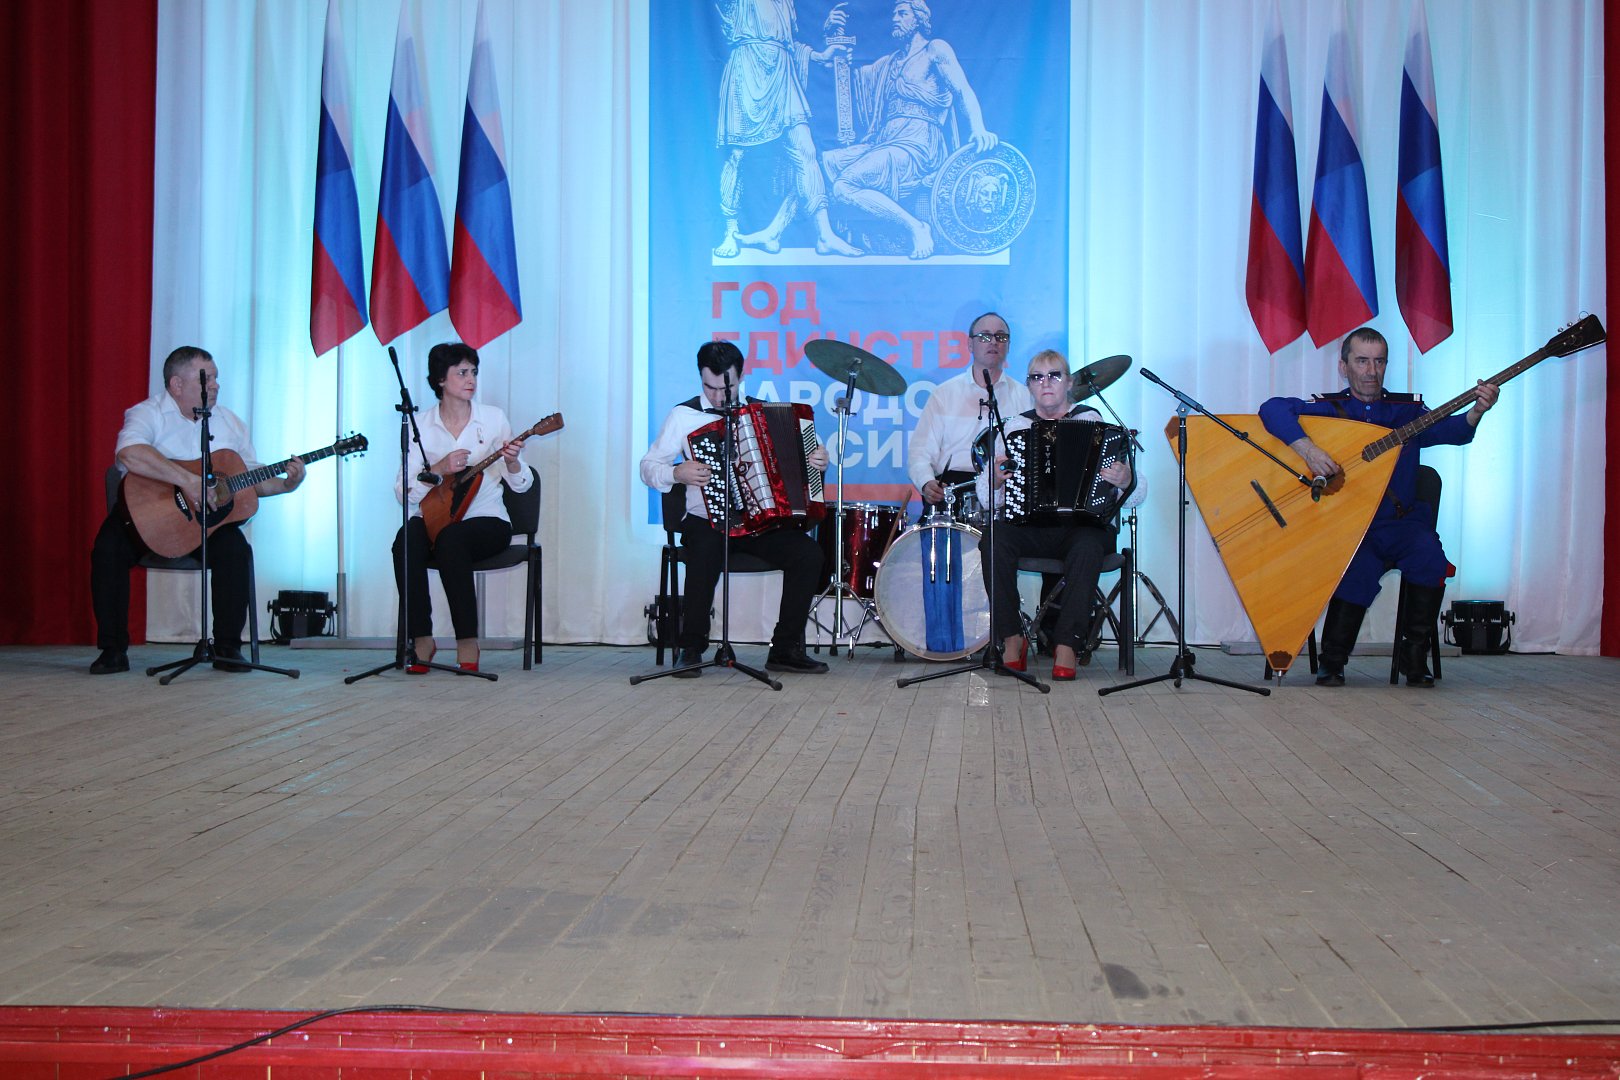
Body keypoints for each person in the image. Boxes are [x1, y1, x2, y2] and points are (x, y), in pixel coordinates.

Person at [1259, 326, 1499, 687]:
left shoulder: (1407, 411)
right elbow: (1272, 409)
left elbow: (1451, 431)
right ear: (1343, 367)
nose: (1371, 371)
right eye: (1362, 361)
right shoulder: (1328, 410)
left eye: (1379, 361)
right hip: (1352, 528)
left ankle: (1413, 658)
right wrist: (1308, 449)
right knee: (1356, 566)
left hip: (1401, 524)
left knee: (1430, 557)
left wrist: (1477, 411)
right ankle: (1333, 660)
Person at [89, 346, 306, 674]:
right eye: (208, 379)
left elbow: (248, 479)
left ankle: (227, 647)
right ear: (176, 385)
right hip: (145, 520)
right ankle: (112, 649)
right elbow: (129, 453)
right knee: (108, 549)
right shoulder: (147, 413)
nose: (216, 385)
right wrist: (187, 481)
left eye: (217, 377)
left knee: (236, 550)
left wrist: (287, 484)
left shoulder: (230, 423)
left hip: (204, 525)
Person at [641, 340, 831, 676]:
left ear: (741, 377)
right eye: (709, 387)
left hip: (759, 523)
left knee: (808, 554)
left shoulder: (762, 412)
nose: (718, 397)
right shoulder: (683, 416)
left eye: (725, 388)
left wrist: (817, 459)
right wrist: (676, 473)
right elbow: (648, 467)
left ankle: (785, 648)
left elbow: (802, 459)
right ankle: (691, 647)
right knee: (704, 549)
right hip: (707, 519)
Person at [977, 351, 1142, 681]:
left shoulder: (1093, 422)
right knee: (993, 538)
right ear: (1029, 386)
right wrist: (994, 480)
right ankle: (1011, 636)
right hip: (1033, 527)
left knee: (1088, 545)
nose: (1046, 383)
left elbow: (1135, 496)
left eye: (1054, 375)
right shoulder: (1015, 428)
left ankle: (1067, 643)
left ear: (1069, 383)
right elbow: (986, 497)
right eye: (1037, 377)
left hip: (1084, 527)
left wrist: (1126, 480)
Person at [821, 0, 997, 259]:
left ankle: (917, 227)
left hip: (918, 144)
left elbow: (962, 90)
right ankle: (811, 234)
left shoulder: (935, 49)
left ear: (919, 18)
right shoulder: (889, 63)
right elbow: (851, 83)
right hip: (885, 141)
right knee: (821, 163)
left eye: (902, 13)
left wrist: (979, 128)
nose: (895, 18)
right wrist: (836, 54)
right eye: (894, 13)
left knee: (843, 187)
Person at [393, 342, 530, 674]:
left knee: (451, 539)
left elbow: (522, 484)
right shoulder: (419, 425)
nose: (471, 380)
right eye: (462, 373)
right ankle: (421, 637)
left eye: (474, 372)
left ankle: (467, 640)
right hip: (434, 517)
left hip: (487, 519)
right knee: (405, 540)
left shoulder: (493, 418)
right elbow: (403, 493)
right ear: (441, 379)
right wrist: (438, 469)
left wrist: (513, 462)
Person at [712, 0, 861, 258]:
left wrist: (817, 56)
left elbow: (788, 43)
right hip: (747, 68)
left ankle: (824, 234)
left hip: (782, 71)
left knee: (806, 150)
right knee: (737, 156)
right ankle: (730, 231)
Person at [906, 311, 1032, 514]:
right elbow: (920, 453)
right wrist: (926, 482)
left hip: (1007, 490)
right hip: (952, 490)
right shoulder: (944, 394)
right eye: (984, 336)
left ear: (1008, 345)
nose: (993, 342)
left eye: (1000, 337)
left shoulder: (1025, 396)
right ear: (970, 344)